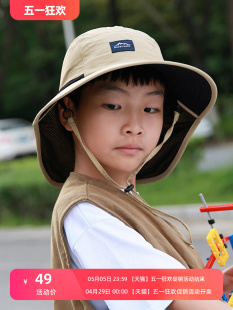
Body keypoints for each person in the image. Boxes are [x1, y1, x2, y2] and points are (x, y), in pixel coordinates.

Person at [33, 26, 233, 310]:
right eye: (113, 106)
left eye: (150, 109)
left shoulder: (118, 196)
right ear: (68, 111)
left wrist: (213, 286)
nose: (134, 127)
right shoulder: (91, 215)